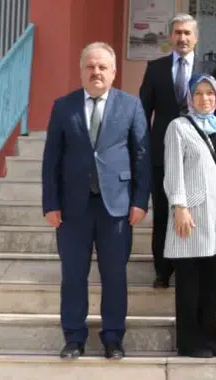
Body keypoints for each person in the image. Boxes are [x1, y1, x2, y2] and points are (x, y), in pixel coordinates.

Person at [41, 42, 151, 360]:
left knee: (114, 275)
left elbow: (142, 156)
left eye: (102, 67)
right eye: (90, 66)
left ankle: (113, 338)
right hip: (72, 208)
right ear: (81, 71)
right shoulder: (64, 107)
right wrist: (50, 203)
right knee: (73, 275)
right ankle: (74, 338)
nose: (96, 72)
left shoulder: (131, 106)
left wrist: (140, 201)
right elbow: (51, 159)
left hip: (116, 206)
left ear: (114, 72)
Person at [164, 74, 216, 358]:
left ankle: (209, 340)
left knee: (211, 282)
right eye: (198, 93)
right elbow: (172, 170)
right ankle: (189, 342)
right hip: (190, 214)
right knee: (189, 283)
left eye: (210, 93)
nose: (204, 99)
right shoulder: (178, 127)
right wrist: (179, 206)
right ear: (190, 97)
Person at [139, 13, 216, 288]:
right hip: (163, 154)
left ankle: (193, 266)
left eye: (187, 33)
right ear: (170, 36)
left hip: (199, 155)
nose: (182, 38)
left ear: (196, 38)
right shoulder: (155, 68)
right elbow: (143, 112)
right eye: (177, 32)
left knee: (197, 211)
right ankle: (163, 271)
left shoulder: (209, 68)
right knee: (164, 212)